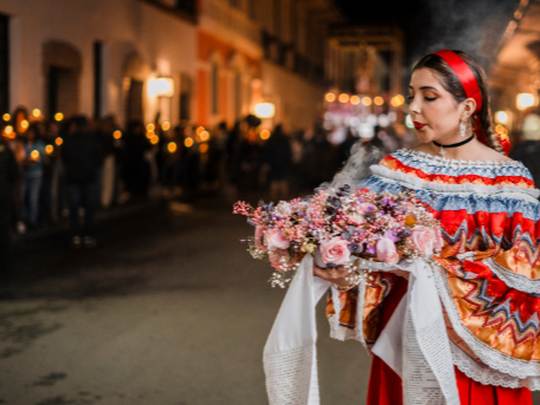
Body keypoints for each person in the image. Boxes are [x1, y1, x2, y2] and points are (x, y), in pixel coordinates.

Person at [311, 50, 538, 404]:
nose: (414, 108)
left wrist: (430, 272)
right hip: (405, 340)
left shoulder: (509, 184)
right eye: (412, 95)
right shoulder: (396, 171)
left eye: (429, 97)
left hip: (477, 353)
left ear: (466, 107)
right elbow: (363, 251)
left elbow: (524, 277)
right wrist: (340, 264)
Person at [61, 116, 103, 248]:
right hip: (88, 178)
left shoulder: (69, 139)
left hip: (73, 178)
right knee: (88, 208)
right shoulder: (92, 139)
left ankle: (75, 235)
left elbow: (65, 157)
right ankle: (88, 235)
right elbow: (98, 158)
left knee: (74, 208)